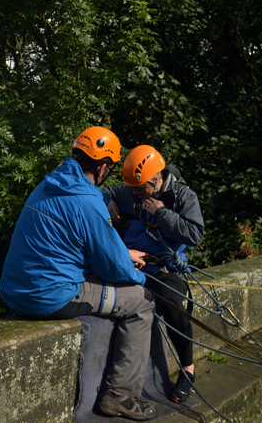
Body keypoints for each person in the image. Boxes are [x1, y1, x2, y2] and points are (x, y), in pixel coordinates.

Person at [0, 126, 158, 421]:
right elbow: (114, 268)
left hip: (14, 291)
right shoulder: (87, 201)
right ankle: (120, 394)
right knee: (142, 301)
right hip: (50, 296)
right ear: (103, 166)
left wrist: (123, 254)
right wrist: (140, 277)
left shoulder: (48, 184)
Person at [103, 145, 205, 404]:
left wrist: (161, 213)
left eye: (139, 189)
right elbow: (101, 190)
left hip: (165, 269)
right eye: (132, 189)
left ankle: (188, 370)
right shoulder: (133, 191)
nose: (134, 194)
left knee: (171, 301)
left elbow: (195, 235)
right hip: (131, 264)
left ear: (156, 181)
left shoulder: (184, 197)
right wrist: (108, 199)